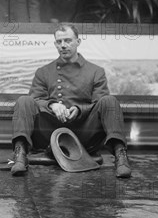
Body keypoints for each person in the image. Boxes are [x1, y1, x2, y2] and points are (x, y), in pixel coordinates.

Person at [10, 24, 131, 178]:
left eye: (67, 40)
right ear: (55, 44)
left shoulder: (95, 72)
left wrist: (79, 109)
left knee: (109, 101)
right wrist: (52, 105)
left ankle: (121, 157)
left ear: (78, 42)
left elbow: (99, 103)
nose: (63, 45)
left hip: (83, 133)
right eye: (59, 42)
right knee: (24, 101)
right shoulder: (43, 72)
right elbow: (36, 100)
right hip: (50, 133)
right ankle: (20, 155)